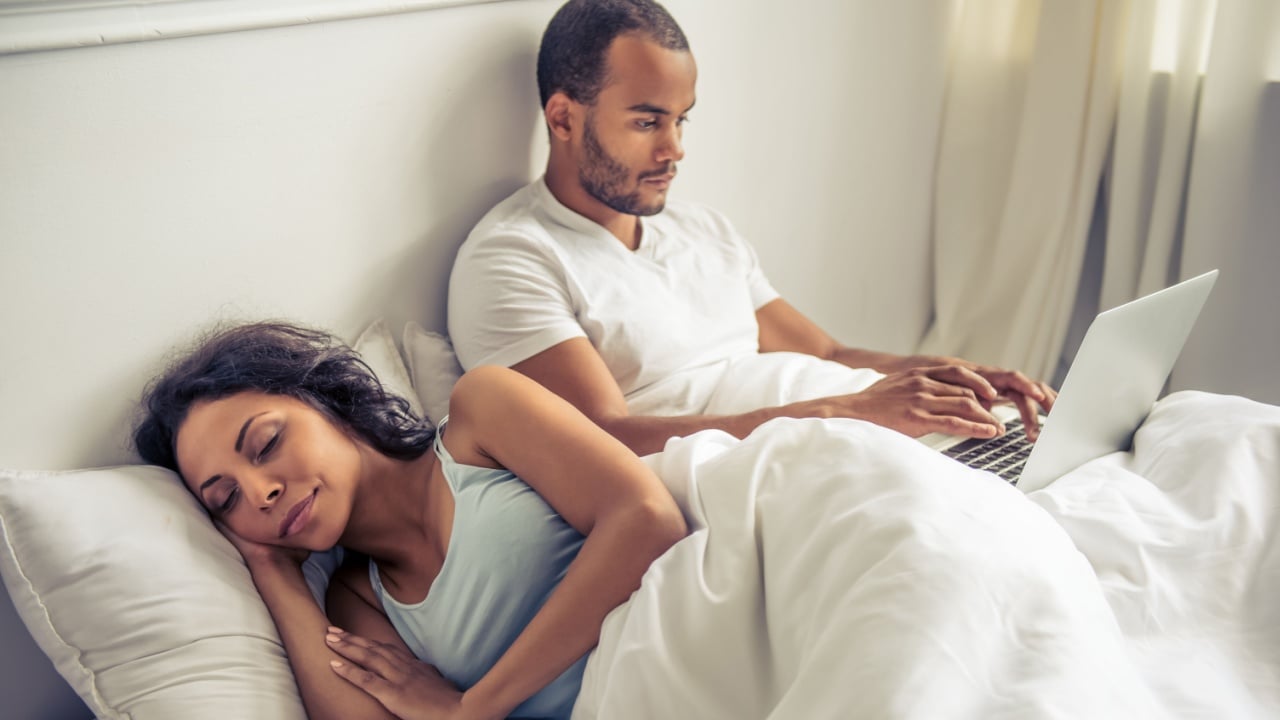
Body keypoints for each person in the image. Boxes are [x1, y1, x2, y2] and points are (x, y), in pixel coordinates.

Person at [446, 0, 1059, 458]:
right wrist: (845, 413)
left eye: (682, 120)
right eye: (647, 122)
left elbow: (826, 353)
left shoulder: (701, 228)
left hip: (856, 428)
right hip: (792, 462)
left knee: (1063, 454)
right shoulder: (515, 257)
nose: (675, 149)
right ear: (562, 118)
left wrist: (937, 373)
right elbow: (608, 439)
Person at [132, 321, 688, 720]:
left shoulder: (480, 417)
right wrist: (271, 571)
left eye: (266, 442)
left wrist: (475, 706)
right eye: (225, 499)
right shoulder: (358, 601)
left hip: (694, 644)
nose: (261, 492)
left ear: (323, 399)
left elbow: (646, 519)